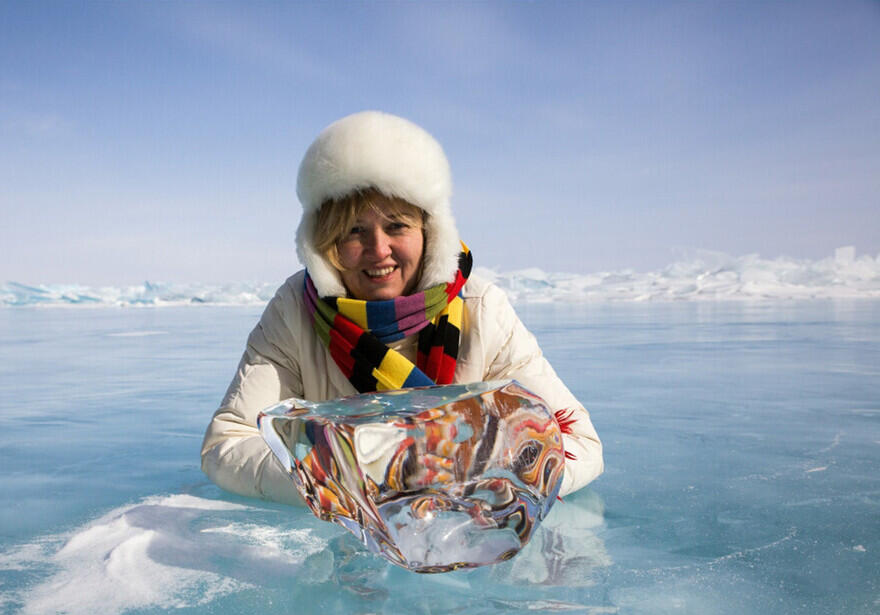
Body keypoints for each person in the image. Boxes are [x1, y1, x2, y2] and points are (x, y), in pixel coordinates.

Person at [202, 111, 603, 506]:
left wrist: (485, 478)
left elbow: (579, 443)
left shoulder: (482, 312)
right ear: (325, 243)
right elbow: (229, 445)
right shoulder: (295, 310)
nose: (379, 250)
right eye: (354, 230)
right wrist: (350, 482)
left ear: (430, 233)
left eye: (397, 226)